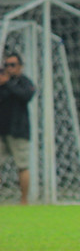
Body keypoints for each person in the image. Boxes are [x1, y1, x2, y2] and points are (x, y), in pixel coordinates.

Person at [0, 52, 37, 204]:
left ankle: (24, 200)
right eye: (6, 65)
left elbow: (26, 96)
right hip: (1, 131)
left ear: (20, 66)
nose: (9, 68)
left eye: (13, 65)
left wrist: (7, 83)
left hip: (18, 131)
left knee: (22, 165)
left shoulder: (24, 82)